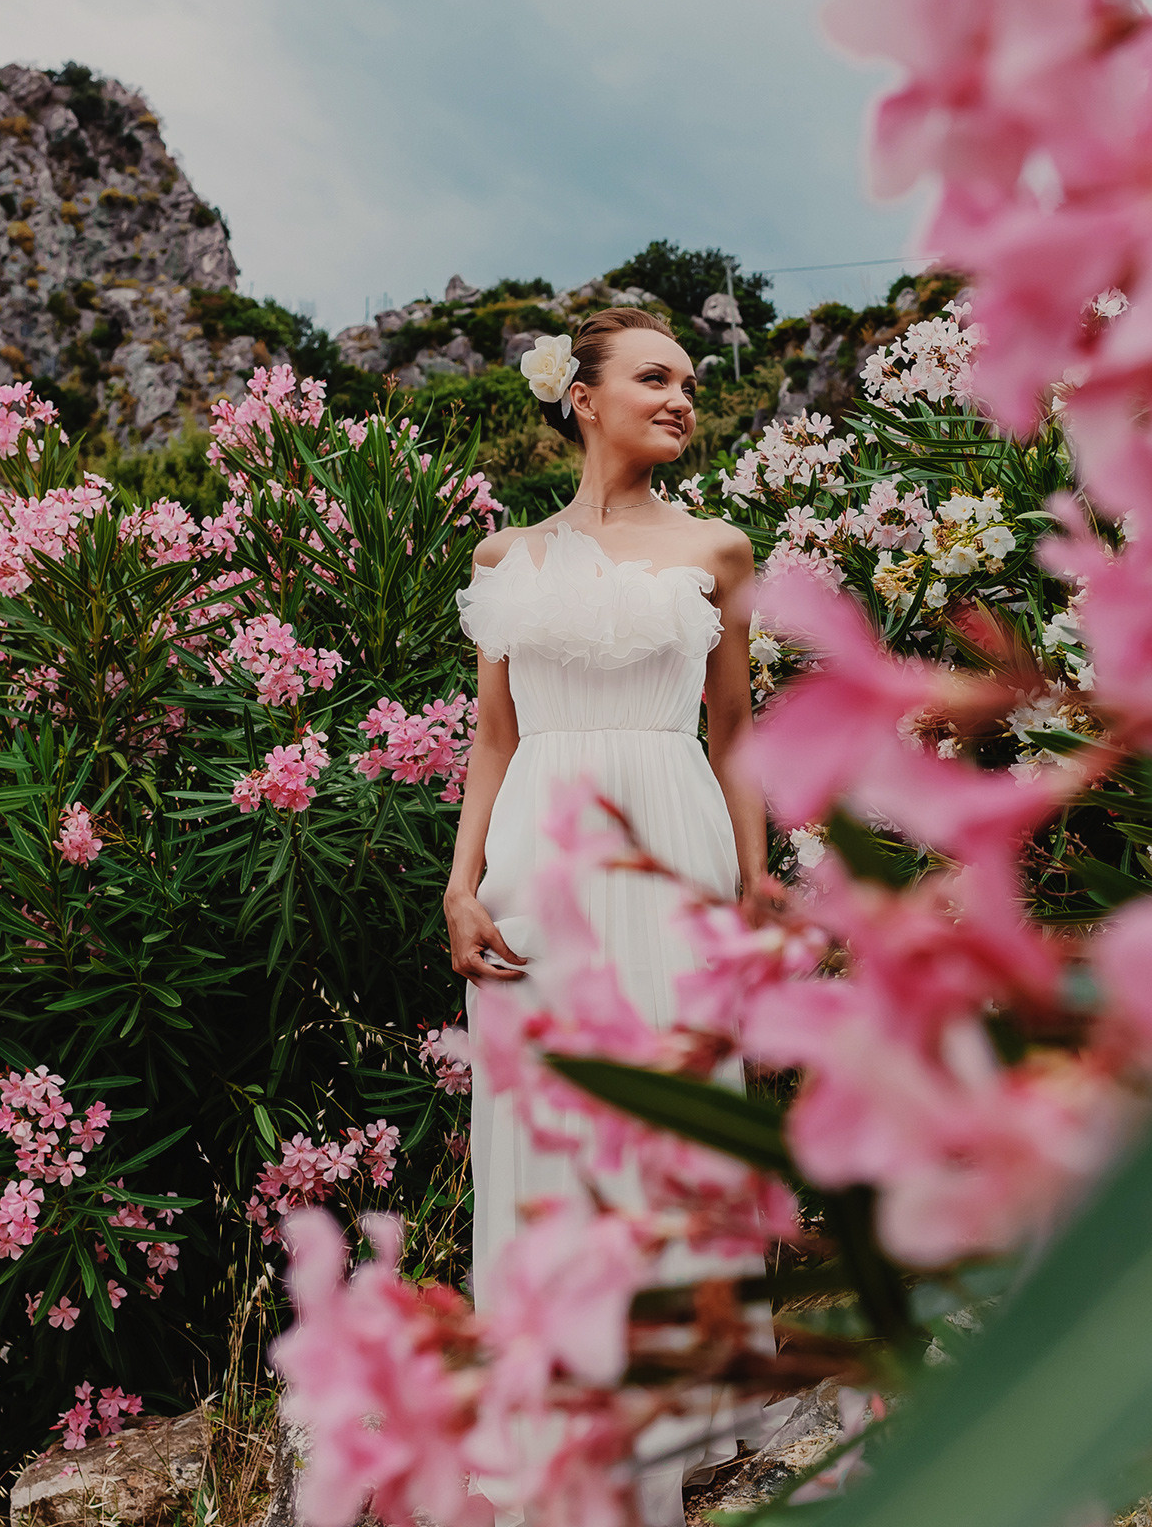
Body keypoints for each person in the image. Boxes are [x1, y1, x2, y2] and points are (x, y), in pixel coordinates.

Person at [445, 307, 767, 1522]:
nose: (682, 396)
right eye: (654, 377)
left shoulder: (720, 549)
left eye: (690, 380)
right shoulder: (505, 560)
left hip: (671, 846)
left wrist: (754, 882)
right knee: (552, 1127)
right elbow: (492, 734)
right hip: (537, 854)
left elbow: (734, 733)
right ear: (581, 397)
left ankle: (658, 1436)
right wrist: (462, 882)